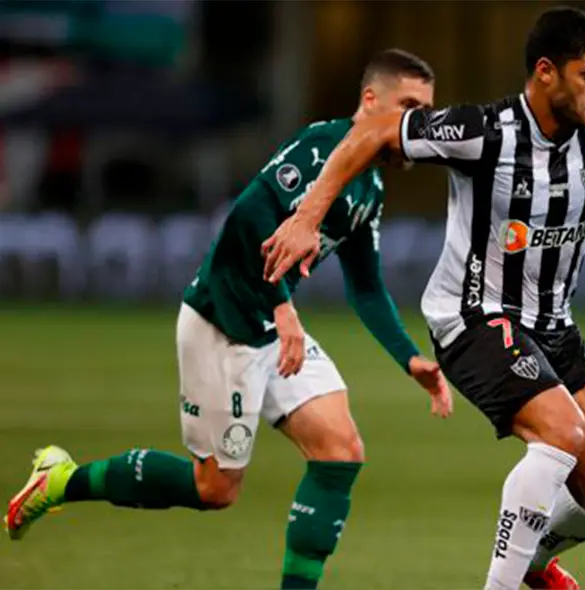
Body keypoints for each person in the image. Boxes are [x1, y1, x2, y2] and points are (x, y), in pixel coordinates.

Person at [262, 8, 585, 590]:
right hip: (474, 316)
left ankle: (533, 562)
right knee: (561, 434)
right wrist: (306, 217)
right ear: (546, 73)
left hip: (553, 325)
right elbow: (369, 135)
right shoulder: (483, 131)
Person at [3, 48, 453, 590]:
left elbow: (365, 285)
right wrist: (285, 308)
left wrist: (409, 359)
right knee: (214, 489)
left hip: (271, 326)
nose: (418, 123)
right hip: (225, 323)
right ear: (370, 101)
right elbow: (247, 217)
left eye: (426, 110)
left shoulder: (368, 186)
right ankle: (63, 480)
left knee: (341, 448)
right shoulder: (320, 148)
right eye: (408, 105)